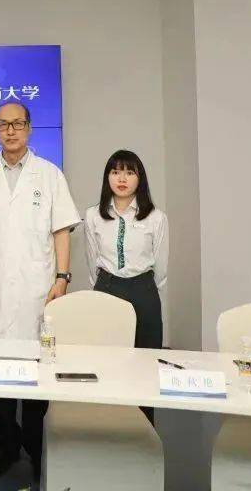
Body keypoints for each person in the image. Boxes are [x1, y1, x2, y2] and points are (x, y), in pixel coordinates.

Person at [0, 101, 80, 480]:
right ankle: (6, 446)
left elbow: (61, 230)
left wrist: (62, 277)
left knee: (36, 368)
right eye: (3, 124)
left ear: (29, 128)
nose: (10, 131)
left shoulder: (49, 174)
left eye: (17, 124)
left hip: (38, 286)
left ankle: (35, 446)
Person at [83, 149, 168, 350]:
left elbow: (161, 263)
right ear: (107, 177)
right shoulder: (93, 215)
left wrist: (145, 287)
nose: (122, 179)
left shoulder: (156, 217)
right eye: (115, 172)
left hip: (143, 289)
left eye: (129, 173)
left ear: (140, 179)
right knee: (106, 352)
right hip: (107, 287)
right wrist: (103, 284)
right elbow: (91, 257)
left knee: (147, 354)